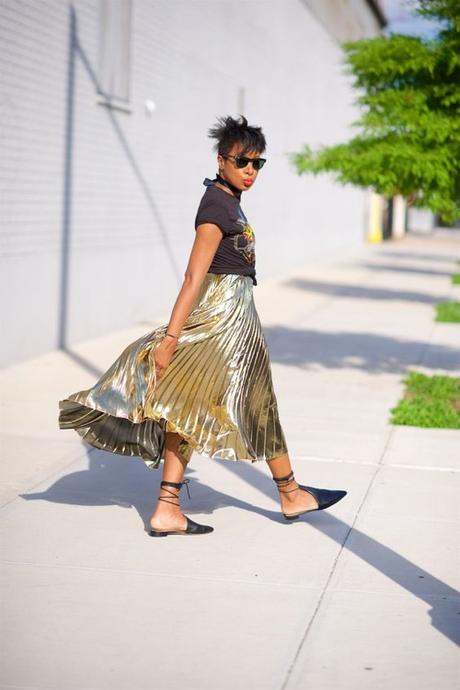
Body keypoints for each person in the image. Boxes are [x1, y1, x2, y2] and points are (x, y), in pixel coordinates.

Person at [58, 114, 347, 537]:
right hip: (224, 320)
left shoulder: (228, 200)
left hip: (233, 315)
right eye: (242, 161)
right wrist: (172, 337)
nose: (250, 171)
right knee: (256, 401)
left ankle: (169, 509)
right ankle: (290, 493)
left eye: (257, 164)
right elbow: (194, 276)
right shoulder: (215, 205)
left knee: (187, 406)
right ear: (221, 160)